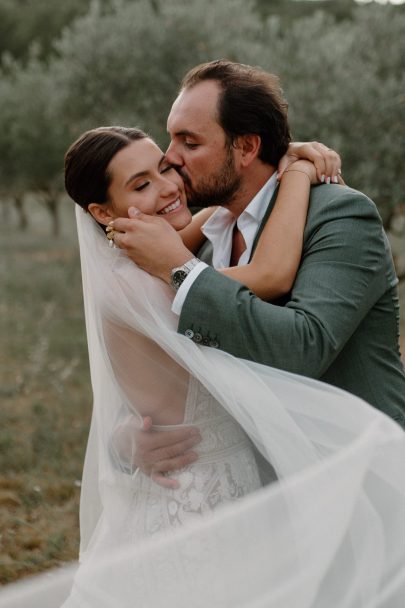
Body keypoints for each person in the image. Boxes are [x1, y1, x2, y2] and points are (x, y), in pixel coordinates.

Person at [56, 125, 405, 608]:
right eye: (141, 185)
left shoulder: (153, 260)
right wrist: (299, 172)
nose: (168, 184)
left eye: (162, 167)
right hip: (198, 496)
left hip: (236, 489)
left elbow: (221, 213)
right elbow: (269, 274)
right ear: (101, 212)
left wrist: (279, 158)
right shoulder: (140, 285)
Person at [110, 60, 405, 483]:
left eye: (189, 143)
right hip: (256, 494)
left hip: (360, 483)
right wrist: (125, 438)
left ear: (246, 148)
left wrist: (181, 270)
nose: (170, 159)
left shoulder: (340, 215)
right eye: (171, 139)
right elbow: (155, 355)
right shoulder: (202, 237)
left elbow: (305, 344)